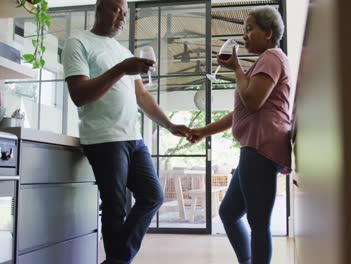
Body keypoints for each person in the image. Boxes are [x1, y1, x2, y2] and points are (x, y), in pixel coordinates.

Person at [62, 0, 190, 263]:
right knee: (115, 206)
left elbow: (142, 96)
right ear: (99, 8)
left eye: (125, 12)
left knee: (153, 195)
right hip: (103, 138)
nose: (121, 16)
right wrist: (122, 68)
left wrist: (170, 124)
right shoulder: (78, 42)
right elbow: (79, 95)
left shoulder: (123, 51)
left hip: (133, 138)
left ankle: (116, 261)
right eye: (115, 9)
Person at [188, 6, 292, 264]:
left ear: (268, 33)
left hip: (261, 147)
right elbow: (241, 112)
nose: (244, 35)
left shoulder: (271, 57)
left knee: (257, 222)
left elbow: (253, 101)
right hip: (255, 147)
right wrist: (203, 131)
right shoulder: (268, 60)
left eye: (249, 29)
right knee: (229, 212)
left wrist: (236, 69)